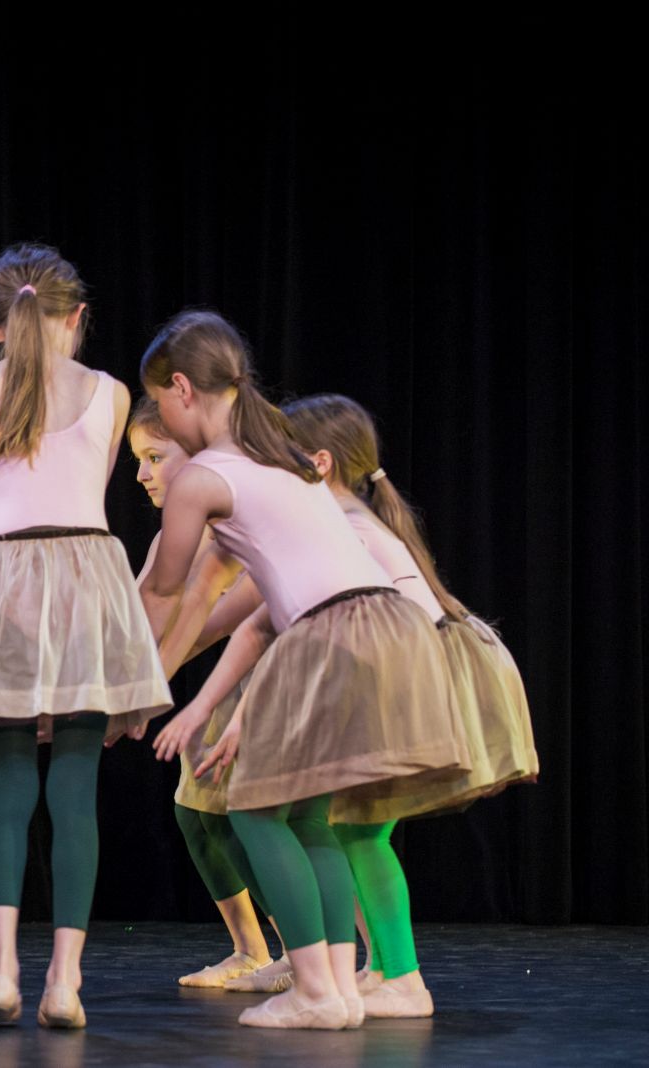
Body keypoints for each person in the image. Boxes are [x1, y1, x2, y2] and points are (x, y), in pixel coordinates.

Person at [144, 310, 466, 1029]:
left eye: (160, 404)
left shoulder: (205, 475)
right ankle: (341, 989)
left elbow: (170, 589)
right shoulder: (282, 462)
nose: (162, 420)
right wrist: (167, 696)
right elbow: (219, 603)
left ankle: (318, 991)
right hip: (381, 626)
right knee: (311, 814)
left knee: (254, 807)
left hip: (331, 632)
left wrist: (122, 682)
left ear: (183, 389)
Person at [0, 245, 172, 1029]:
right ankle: (64, 981)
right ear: (77, 319)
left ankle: (1, 970)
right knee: (75, 789)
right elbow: (94, 488)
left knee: (8, 786)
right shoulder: (109, 393)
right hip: (85, 577)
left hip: (7, 572)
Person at [284, 393, 538, 1018]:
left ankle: (404, 977)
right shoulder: (351, 520)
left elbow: (397, 624)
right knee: (353, 828)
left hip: (425, 670)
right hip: (418, 665)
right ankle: (384, 967)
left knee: (360, 830)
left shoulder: (346, 527)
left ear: (318, 463)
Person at [127, 400, 276, 988]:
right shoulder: (175, 534)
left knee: (248, 820)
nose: (142, 474)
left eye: (155, 458)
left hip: (260, 682)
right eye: (138, 460)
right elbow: (147, 621)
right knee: (196, 817)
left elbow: (210, 625)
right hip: (216, 689)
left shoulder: (235, 521)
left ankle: (298, 949)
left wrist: (146, 683)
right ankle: (252, 949)